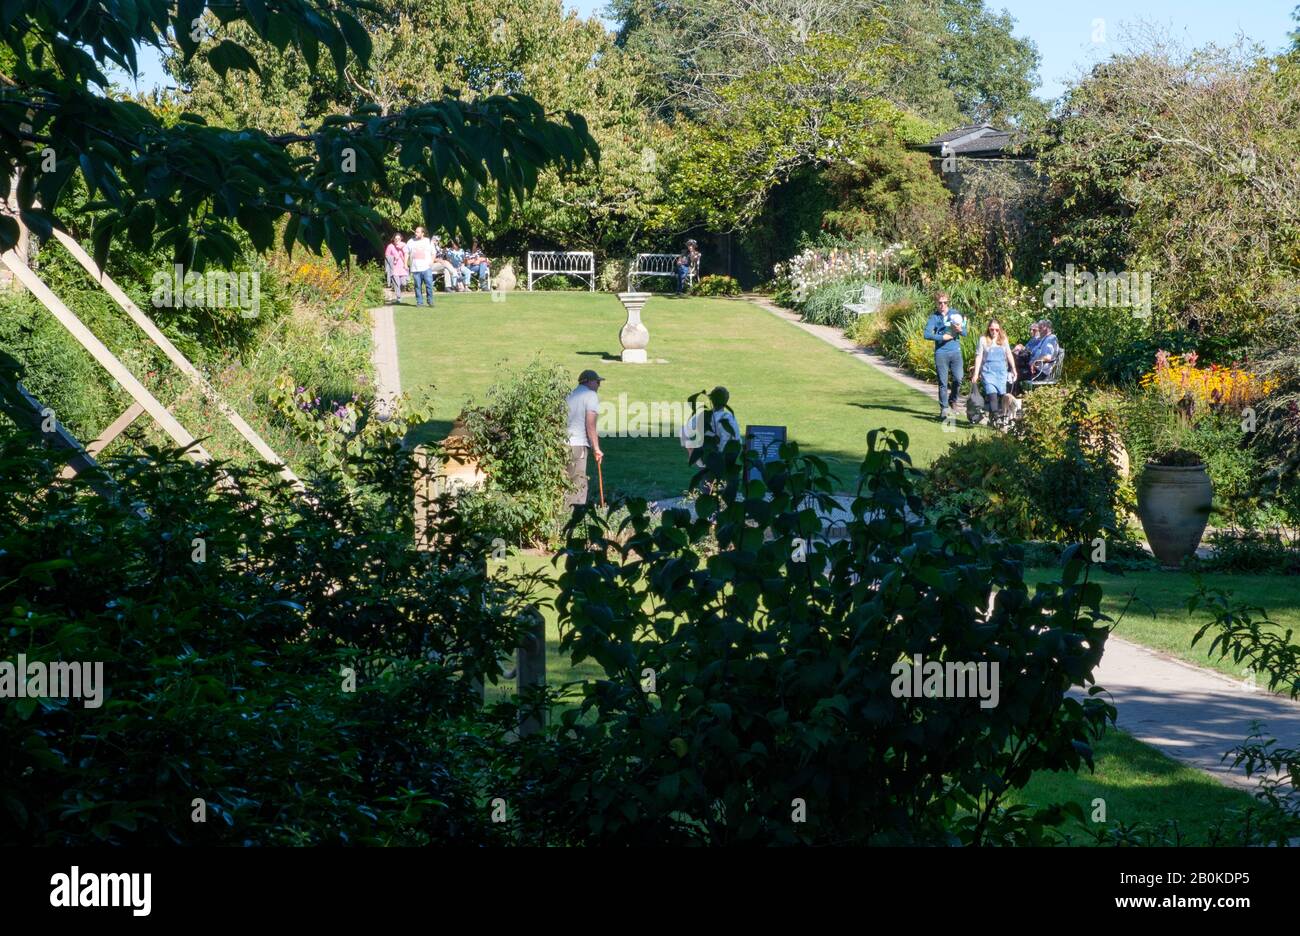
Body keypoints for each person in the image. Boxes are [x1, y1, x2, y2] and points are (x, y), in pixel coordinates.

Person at [922, 291, 968, 420]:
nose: (942, 305)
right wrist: (942, 337)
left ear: (948, 302)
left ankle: (953, 400)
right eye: (940, 303)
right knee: (943, 382)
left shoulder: (955, 314)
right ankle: (944, 408)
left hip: (955, 351)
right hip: (941, 353)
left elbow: (965, 332)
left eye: (945, 302)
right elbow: (926, 334)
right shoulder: (934, 317)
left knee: (958, 378)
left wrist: (960, 330)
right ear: (936, 303)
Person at [565, 369, 604, 509]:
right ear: (589, 382)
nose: (599, 385)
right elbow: (590, 424)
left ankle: (559, 520)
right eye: (598, 382)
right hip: (577, 446)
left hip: (561, 445)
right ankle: (575, 521)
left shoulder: (569, 395)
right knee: (578, 484)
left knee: (563, 483)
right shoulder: (590, 395)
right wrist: (596, 448)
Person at [972, 318, 1018, 428]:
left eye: (997, 330)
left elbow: (1008, 354)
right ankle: (997, 419)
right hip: (988, 372)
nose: (994, 332)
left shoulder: (1003, 340)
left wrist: (1013, 368)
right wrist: (976, 373)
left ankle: (993, 418)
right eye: (992, 329)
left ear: (999, 330)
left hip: (1001, 372)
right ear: (989, 329)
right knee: (992, 395)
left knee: (1001, 396)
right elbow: (979, 356)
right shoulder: (983, 340)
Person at [680, 386, 741, 462]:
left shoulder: (703, 415)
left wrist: (691, 451)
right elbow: (736, 440)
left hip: (707, 457)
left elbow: (684, 431)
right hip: (725, 458)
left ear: (711, 399)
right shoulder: (729, 417)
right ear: (726, 401)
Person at [405, 226, 436, 307]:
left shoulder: (428, 241)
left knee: (429, 285)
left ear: (423, 233)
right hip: (415, 268)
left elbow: (434, 253)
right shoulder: (411, 242)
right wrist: (405, 264)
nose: (416, 233)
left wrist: (431, 262)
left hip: (426, 268)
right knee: (417, 286)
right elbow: (406, 253)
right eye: (416, 231)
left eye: (418, 232)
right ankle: (419, 302)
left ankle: (430, 301)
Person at [384, 233, 409, 303]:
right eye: (396, 239)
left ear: (401, 239)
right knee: (397, 284)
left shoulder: (404, 245)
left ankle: (399, 293)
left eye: (399, 239)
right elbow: (386, 256)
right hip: (394, 268)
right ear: (393, 239)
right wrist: (394, 257)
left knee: (404, 283)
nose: (397, 240)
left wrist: (406, 264)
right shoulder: (390, 246)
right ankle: (398, 298)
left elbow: (407, 254)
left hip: (403, 267)